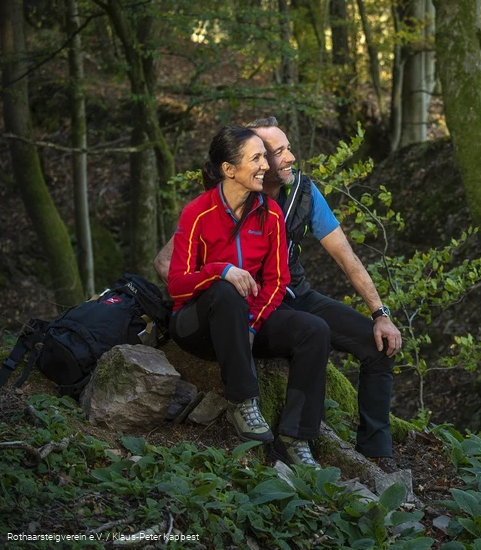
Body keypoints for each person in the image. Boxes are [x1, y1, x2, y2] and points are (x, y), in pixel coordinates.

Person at [156, 117, 403, 468]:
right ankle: (249, 407)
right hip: (232, 302)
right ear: (245, 162)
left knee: (374, 344)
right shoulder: (212, 204)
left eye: (284, 149)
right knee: (232, 298)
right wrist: (216, 280)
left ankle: (373, 451)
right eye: (276, 152)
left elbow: (345, 257)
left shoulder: (296, 197)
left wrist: (381, 314)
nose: (289, 157)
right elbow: (168, 266)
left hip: (290, 296)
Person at [167, 124, 330, 469]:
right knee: (226, 292)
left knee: (315, 330)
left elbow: (276, 280)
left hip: (245, 322)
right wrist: (220, 270)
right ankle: (242, 402)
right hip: (196, 325)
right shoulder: (197, 213)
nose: (265, 166)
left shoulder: (269, 213)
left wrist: (253, 325)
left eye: (264, 157)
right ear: (229, 169)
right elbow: (177, 284)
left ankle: (296, 438)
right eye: (256, 158)